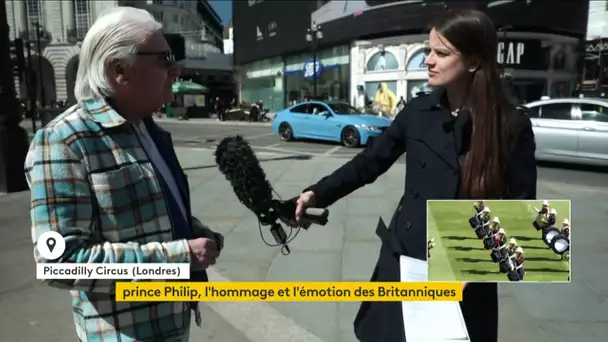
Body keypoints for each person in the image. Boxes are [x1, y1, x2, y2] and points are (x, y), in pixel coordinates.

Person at [288, 8, 536, 342]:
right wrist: (316, 193)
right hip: (403, 262)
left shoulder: (510, 124)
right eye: (429, 50)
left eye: (441, 53)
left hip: (461, 277)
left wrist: (474, 267)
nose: (428, 61)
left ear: (475, 61)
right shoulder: (418, 111)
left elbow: (524, 214)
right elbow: (369, 162)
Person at [24, 7, 224, 341]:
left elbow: (152, 214)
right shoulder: (64, 140)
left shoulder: (148, 129)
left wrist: (197, 233)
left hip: (173, 325)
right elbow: (58, 262)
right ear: (120, 70)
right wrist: (181, 256)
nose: (175, 69)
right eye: (164, 58)